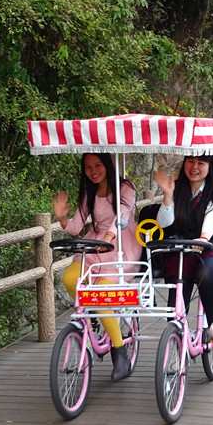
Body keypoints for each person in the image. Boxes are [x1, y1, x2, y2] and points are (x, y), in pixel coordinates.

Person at [53, 153, 138, 380]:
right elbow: (75, 227)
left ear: (108, 165)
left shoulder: (126, 187)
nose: (93, 171)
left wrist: (108, 239)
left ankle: (119, 352)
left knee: (100, 294)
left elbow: (121, 216)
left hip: (121, 244)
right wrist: (62, 218)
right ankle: (91, 317)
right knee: (71, 279)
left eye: (98, 165)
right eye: (88, 167)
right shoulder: (89, 192)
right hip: (94, 245)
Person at [153, 154, 213, 342]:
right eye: (190, 161)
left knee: (204, 273)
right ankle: (177, 337)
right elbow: (164, 223)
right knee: (176, 298)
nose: (194, 167)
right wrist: (168, 194)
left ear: (210, 167)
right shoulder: (178, 188)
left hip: (211, 248)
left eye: (201, 163)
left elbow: (212, 217)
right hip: (183, 250)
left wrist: (203, 237)